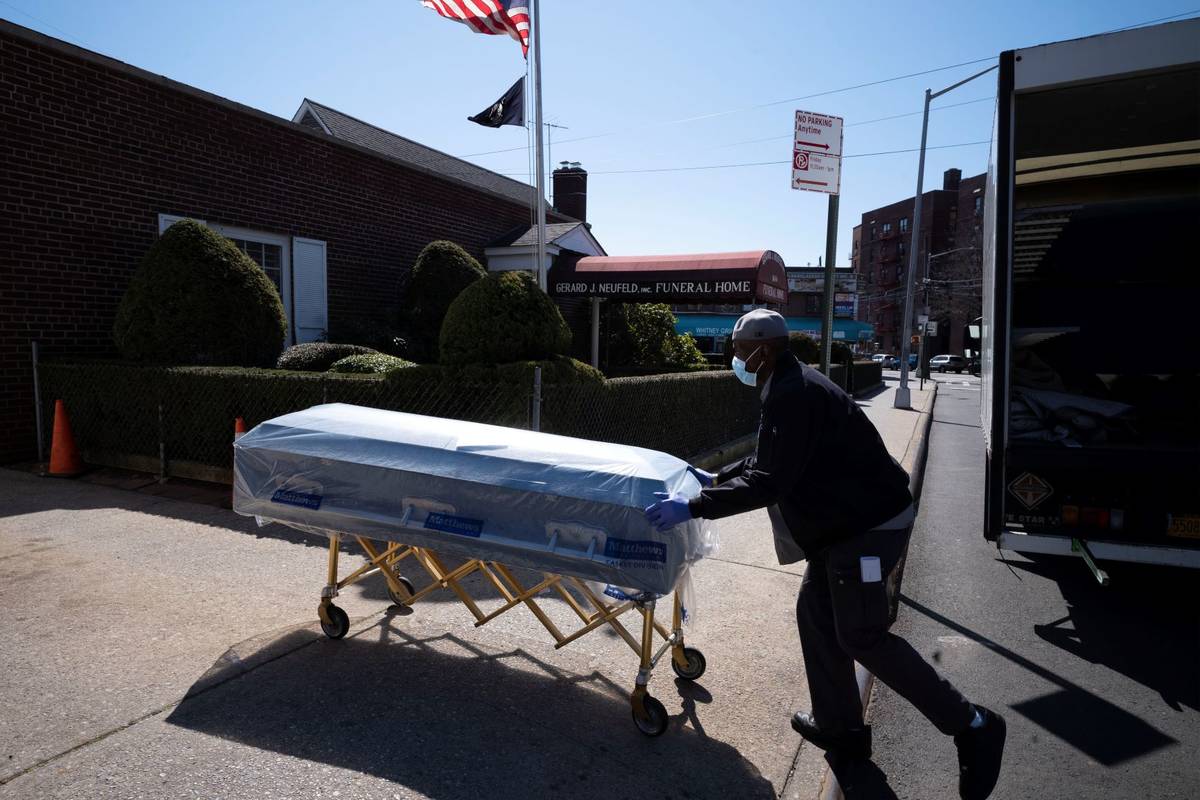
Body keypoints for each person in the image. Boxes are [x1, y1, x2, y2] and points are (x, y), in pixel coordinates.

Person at [644, 309, 1006, 800]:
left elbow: (771, 482)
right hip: (844, 527)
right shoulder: (788, 383)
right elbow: (771, 459)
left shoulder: (793, 393)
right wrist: (719, 479)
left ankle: (974, 724)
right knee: (816, 618)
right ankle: (842, 731)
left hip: (867, 528)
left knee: (861, 635)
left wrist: (693, 506)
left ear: (762, 350)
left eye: (736, 349)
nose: (733, 358)